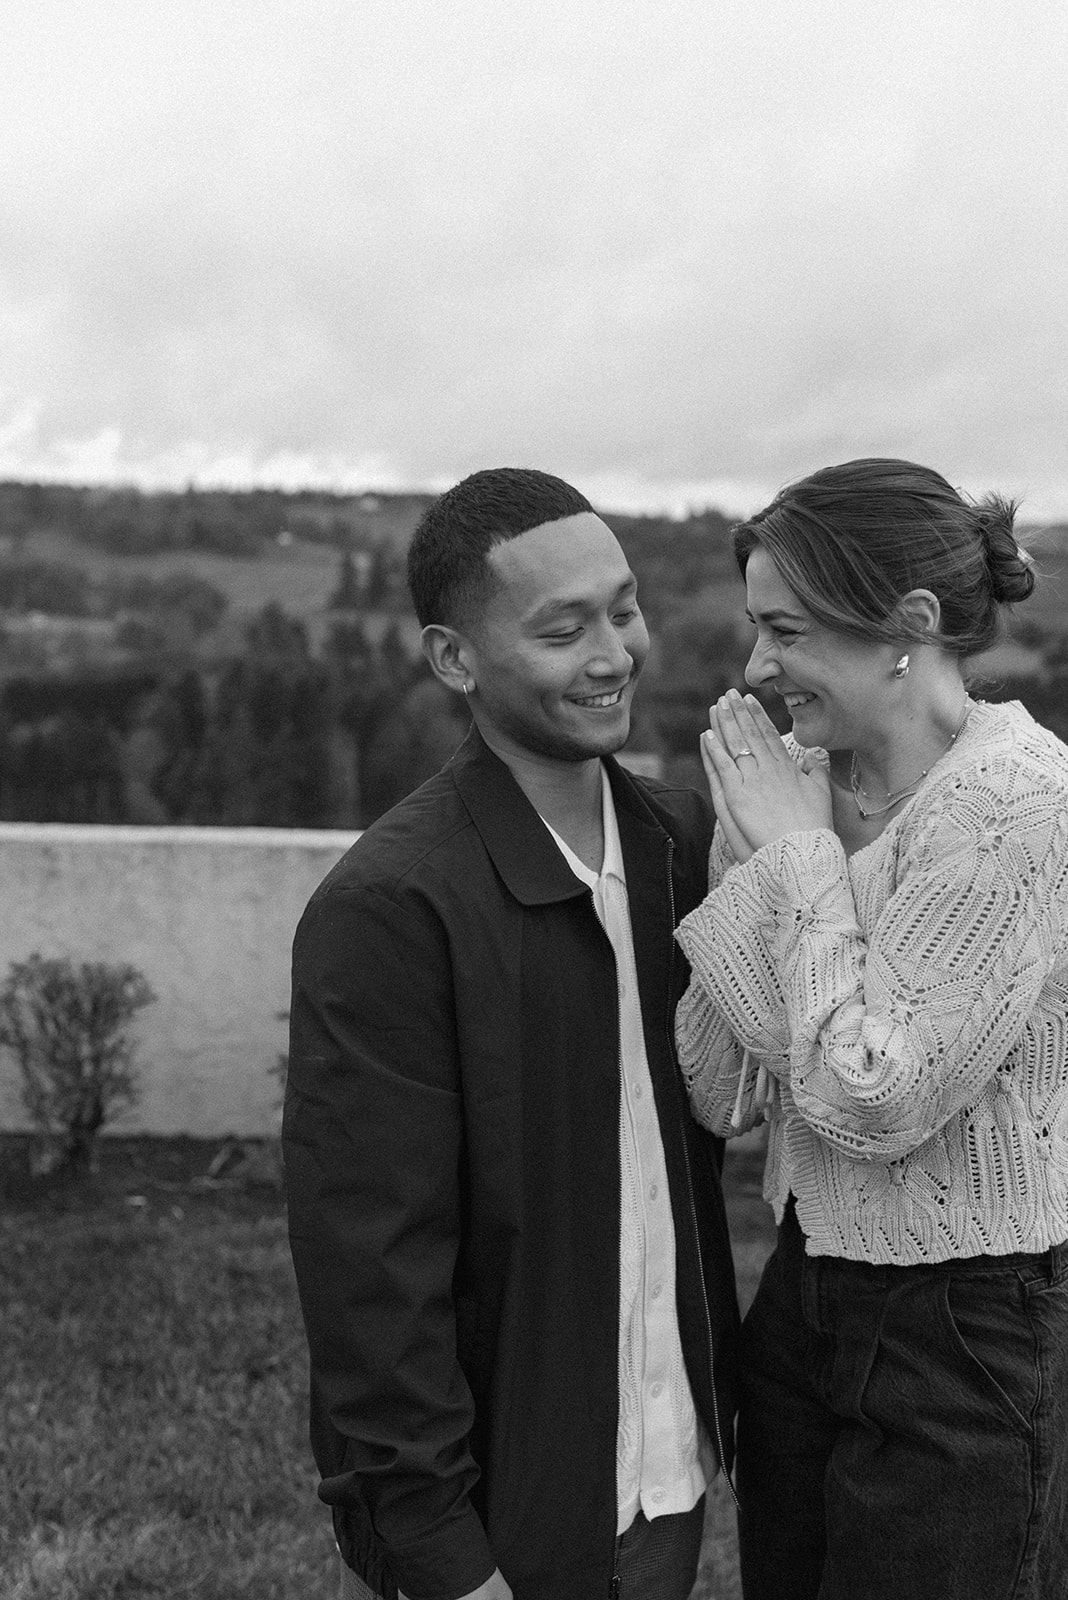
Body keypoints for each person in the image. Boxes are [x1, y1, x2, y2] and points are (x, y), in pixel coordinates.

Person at [283, 467, 739, 1600]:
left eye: (622, 608)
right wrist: (444, 1556)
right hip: (501, 1524)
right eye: (563, 628)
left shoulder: (680, 846)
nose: (615, 652)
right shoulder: (391, 906)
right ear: (455, 660)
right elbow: (369, 1275)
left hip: (667, 1475)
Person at [673, 457, 1068, 1600]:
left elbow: (870, 1096)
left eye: (785, 630)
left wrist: (791, 864)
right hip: (801, 1297)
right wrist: (759, 858)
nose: (756, 667)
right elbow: (719, 1083)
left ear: (912, 623)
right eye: (755, 628)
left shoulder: (1014, 804)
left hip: (968, 1327)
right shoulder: (789, 786)